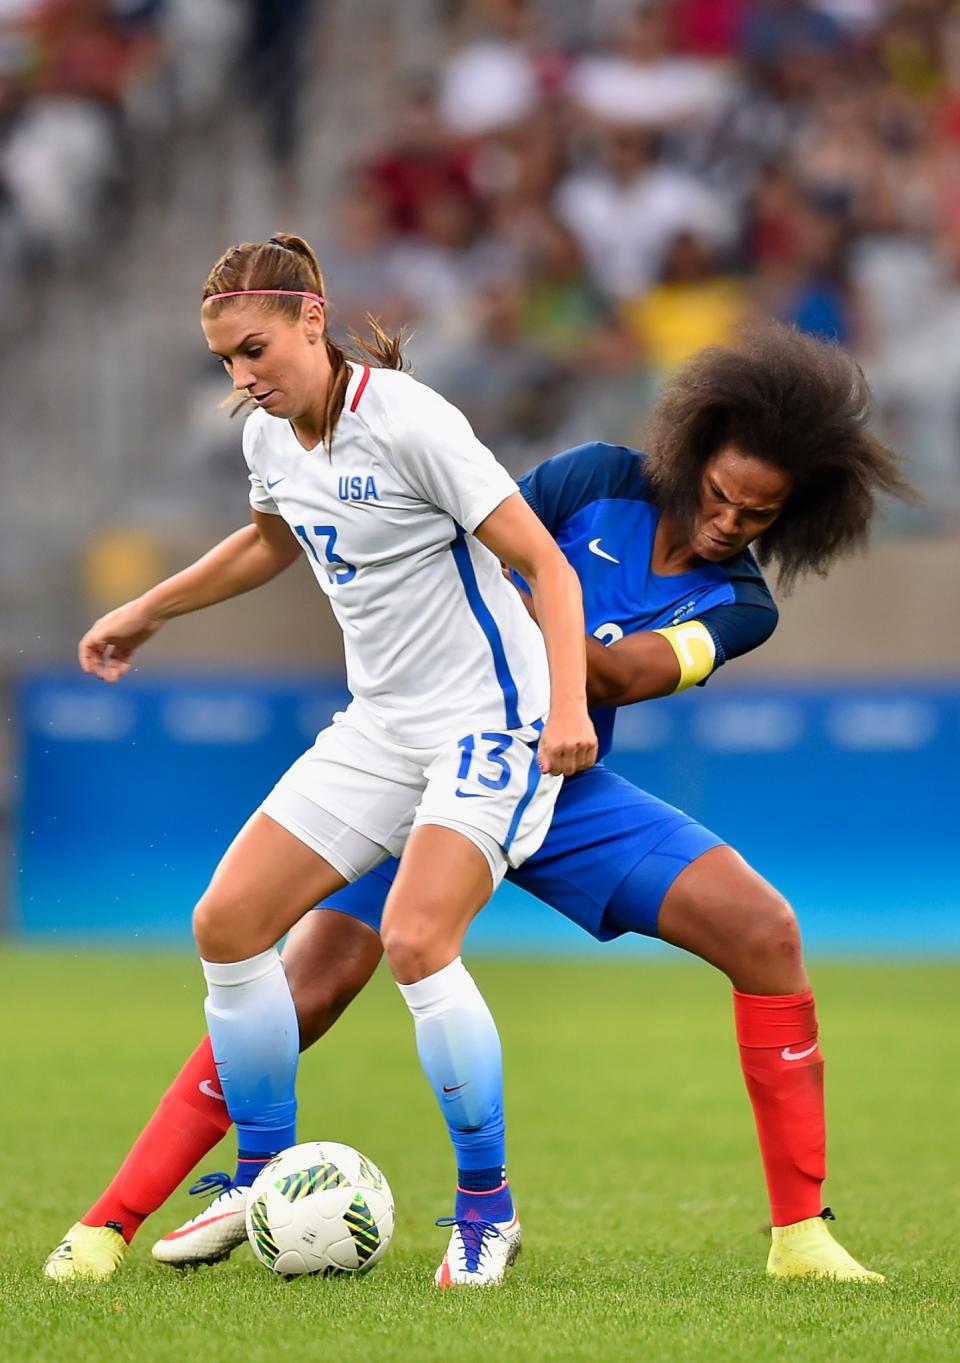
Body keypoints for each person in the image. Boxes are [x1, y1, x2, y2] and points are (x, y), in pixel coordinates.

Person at [46, 322, 912, 1286]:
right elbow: (473, 544)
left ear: (789, 517)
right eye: (719, 495)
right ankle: (120, 1216)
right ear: (692, 454)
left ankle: (801, 1237)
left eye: (757, 517)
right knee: (301, 985)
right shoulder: (594, 478)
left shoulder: (743, 607)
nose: (726, 524)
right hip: (429, 757)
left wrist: (525, 594)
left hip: (551, 781)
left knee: (767, 931)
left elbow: (619, 673)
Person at [42, 232, 598, 1287]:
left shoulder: (411, 421)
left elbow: (546, 566)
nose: (244, 378)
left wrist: (567, 703)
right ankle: (261, 1172)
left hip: (492, 716)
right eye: (225, 363)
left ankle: (487, 1207)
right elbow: (271, 538)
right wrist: (149, 609)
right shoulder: (270, 439)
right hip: (382, 724)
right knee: (229, 922)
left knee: (417, 940)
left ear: (312, 317)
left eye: (255, 350)